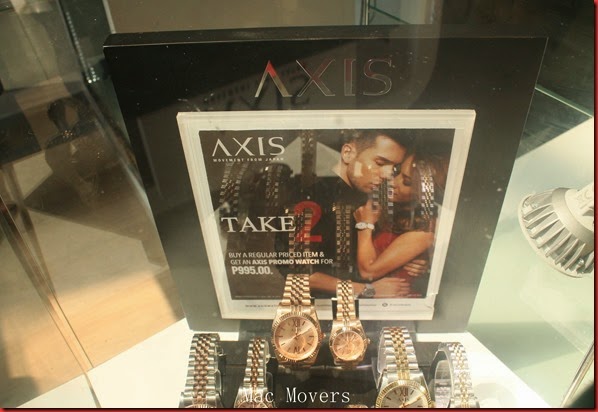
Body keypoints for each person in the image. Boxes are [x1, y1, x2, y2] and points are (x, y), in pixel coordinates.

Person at [306, 130, 426, 298]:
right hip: (326, 306)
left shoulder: (371, 197)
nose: (387, 175)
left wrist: (409, 261)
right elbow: (299, 275)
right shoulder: (314, 199)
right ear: (347, 153)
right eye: (380, 163)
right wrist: (365, 289)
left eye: (394, 168)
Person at [353, 149, 449, 297]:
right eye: (397, 173)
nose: (393, 182)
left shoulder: (423, 231)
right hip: (373, 297)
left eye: (406, 182)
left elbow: (368, 272)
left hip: (397, 303)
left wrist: (364, 226)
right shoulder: (396, 211)